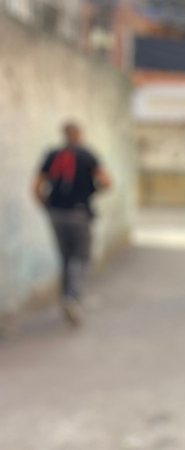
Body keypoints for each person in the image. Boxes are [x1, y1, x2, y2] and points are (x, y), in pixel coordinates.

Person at [33, 122, 111, 326]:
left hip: (56, 213)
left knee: (66, 257)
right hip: (79, 212)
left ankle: (66, 297)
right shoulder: (87, 155)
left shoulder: (52, 155)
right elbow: (106, 182)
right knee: (81, 257)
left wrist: (48, 206)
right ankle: (73, 298)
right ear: (79, 135)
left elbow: (37, 188)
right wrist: (91, 191)